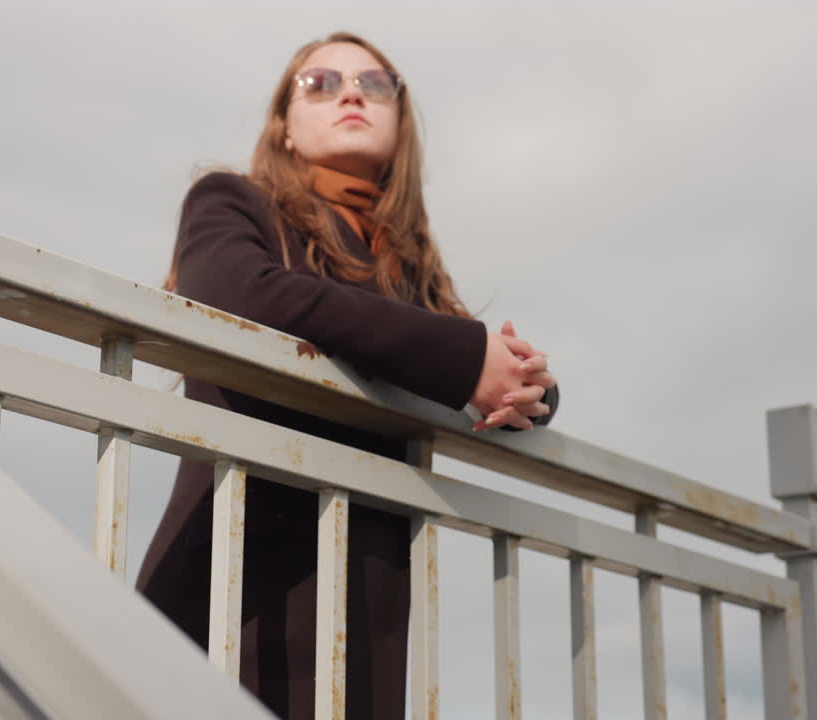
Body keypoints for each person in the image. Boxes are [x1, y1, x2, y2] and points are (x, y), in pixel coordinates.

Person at [136, 32, 558, 720]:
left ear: (401, 123)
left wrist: (530, 386)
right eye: (321, 83)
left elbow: (495, 376)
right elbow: (237, 293)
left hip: (358, 618)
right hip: (231, 594)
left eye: (375, 83)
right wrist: (463, 359)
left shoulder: (409, 271)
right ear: (285, 125)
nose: (351, 94)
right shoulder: (233, 202)